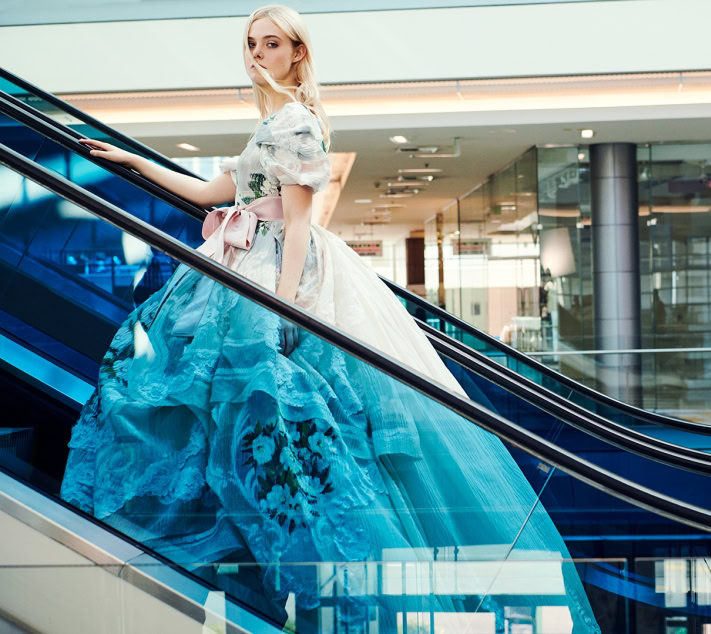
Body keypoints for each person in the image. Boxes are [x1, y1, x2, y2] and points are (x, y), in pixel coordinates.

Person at [65, 4, 600, 633]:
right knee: (233, 397)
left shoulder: (297, 123)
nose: (257, 53)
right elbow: (215, 193)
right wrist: (132, 164)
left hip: (270, 271)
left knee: (270, 397)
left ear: (296, 51)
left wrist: (282, 303)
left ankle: (297, 548)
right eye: (251, 43)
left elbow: (297, 226)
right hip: (244, 263)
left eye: (270, 44)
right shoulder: (272, 120)